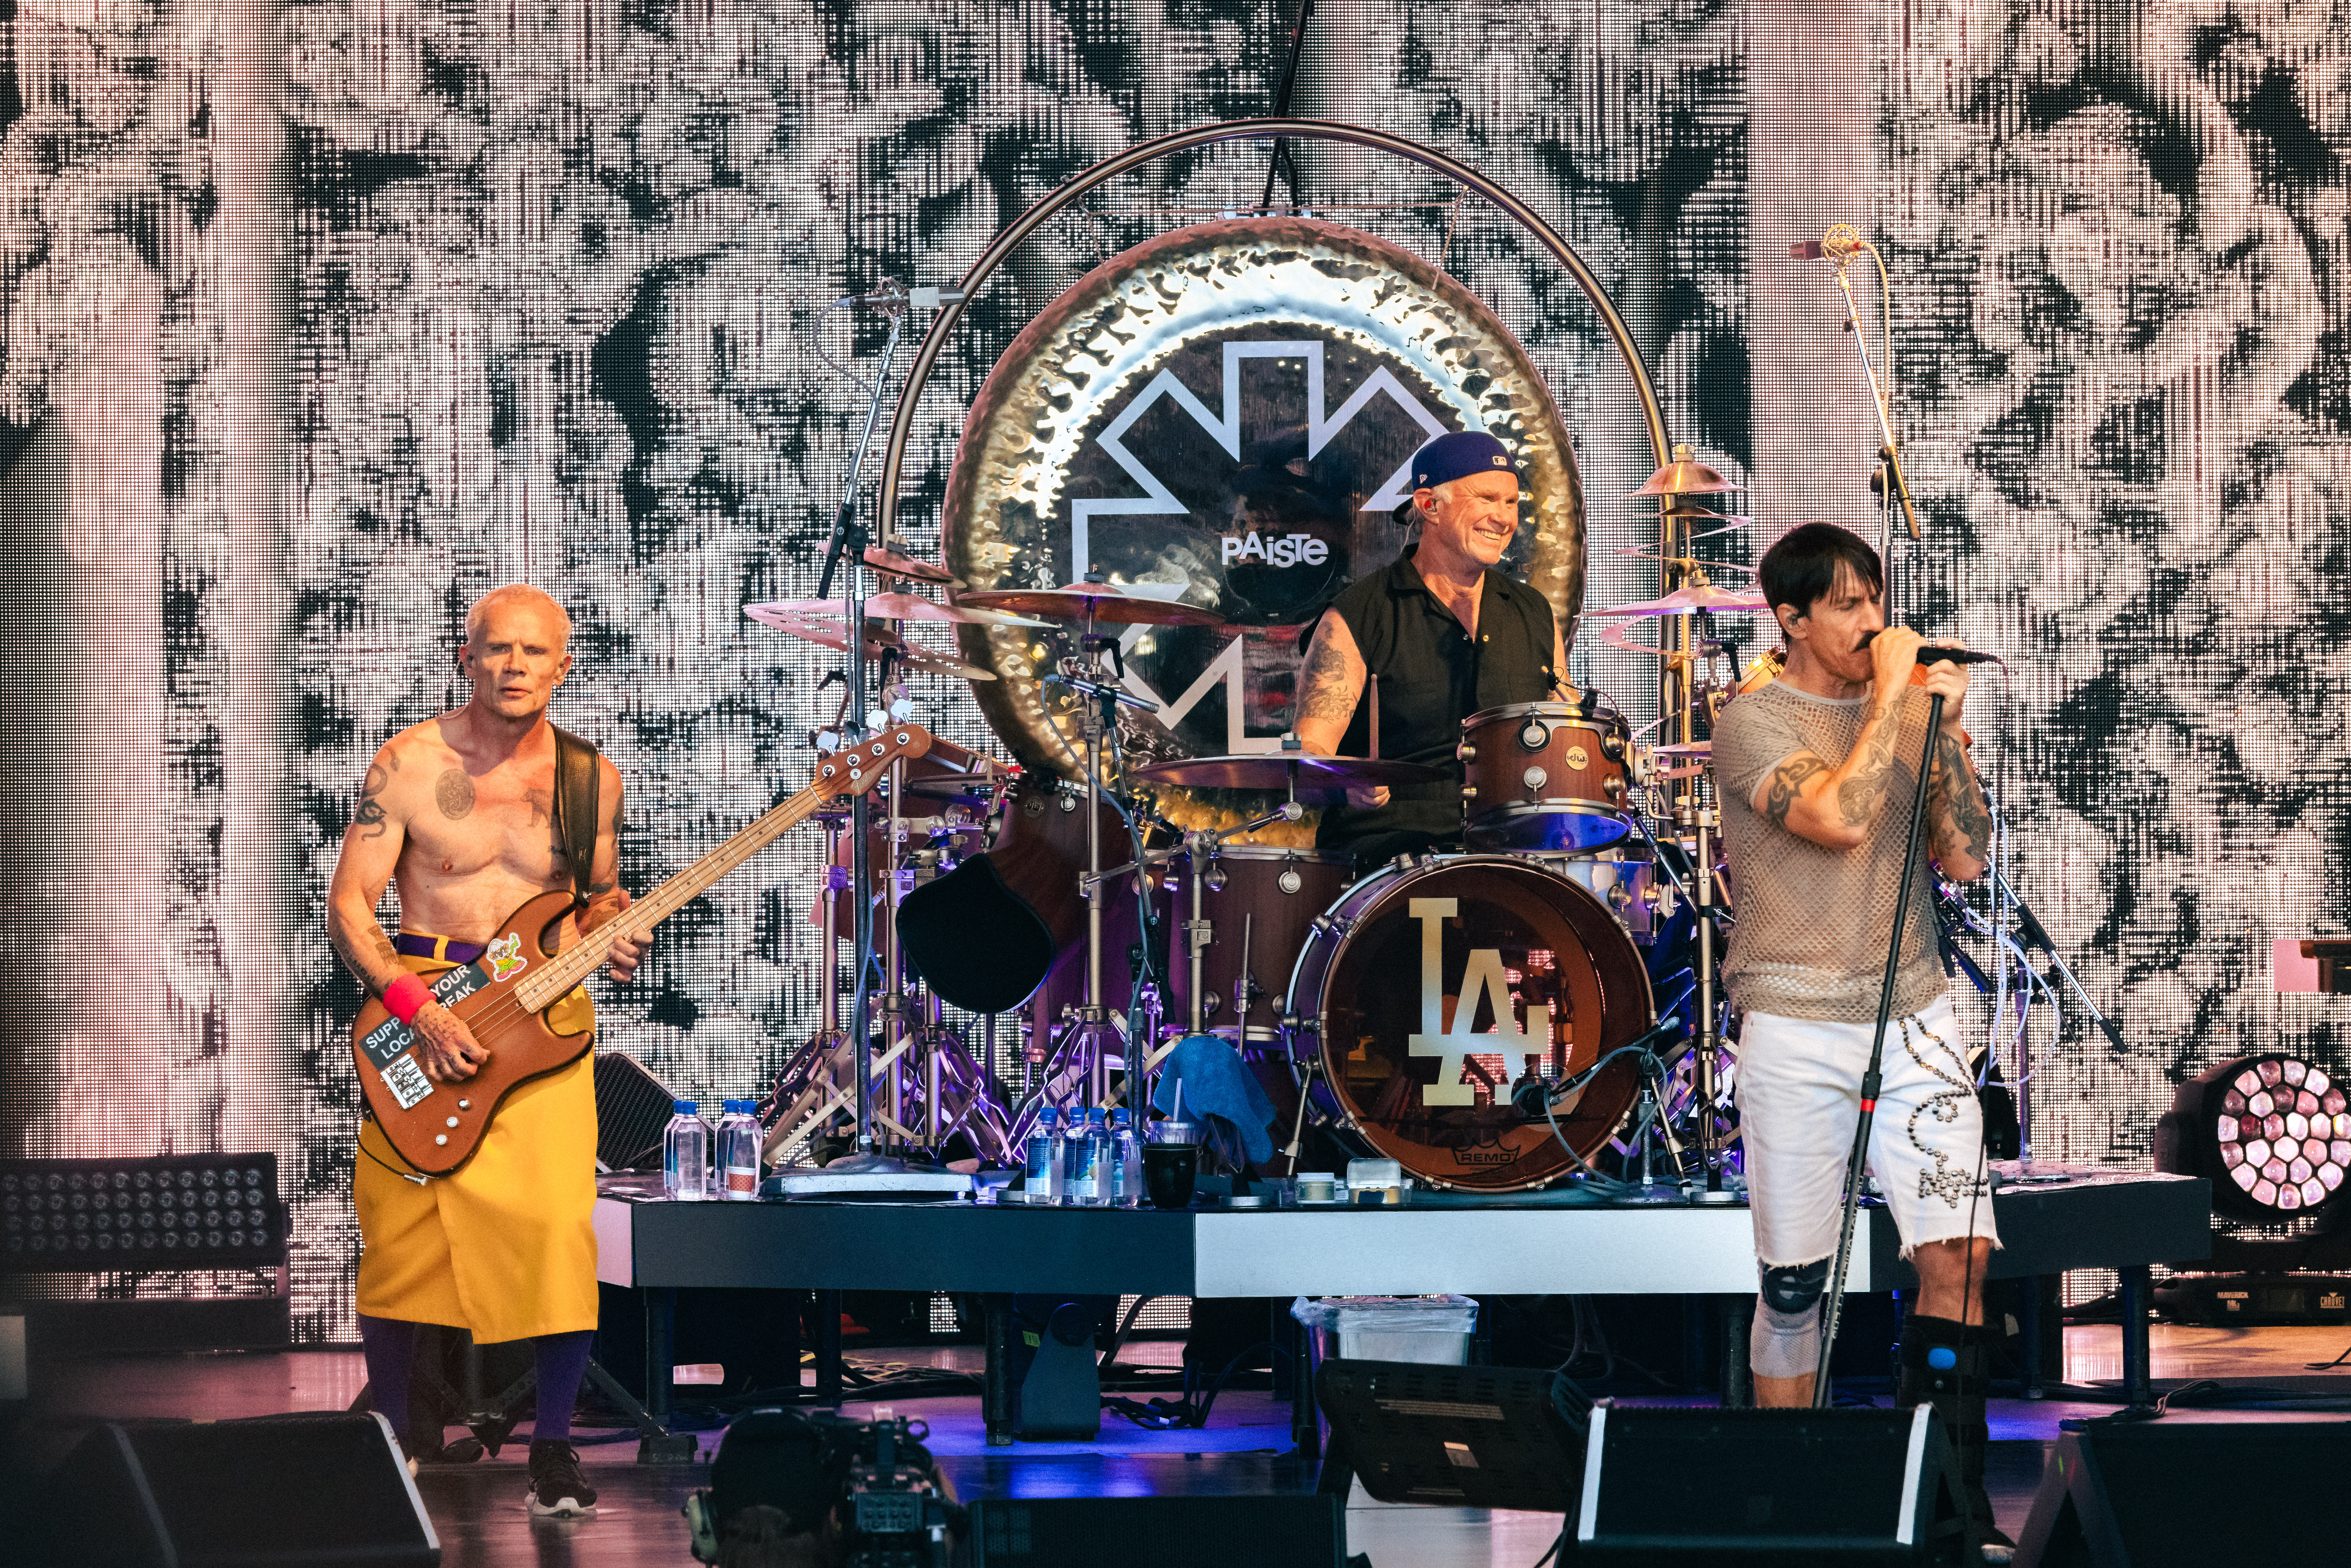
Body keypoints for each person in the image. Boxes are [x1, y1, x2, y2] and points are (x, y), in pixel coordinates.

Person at [326, 582, 652, 1519]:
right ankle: (394, 1445)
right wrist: (417, 1009)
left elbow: (595, 897)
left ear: (565, 662)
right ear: (464, 657)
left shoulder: (591, 778)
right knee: (399, 1244)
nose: (513, 667)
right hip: (424, 1017)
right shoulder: (409, 765)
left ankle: (552, 1450)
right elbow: (351, 907)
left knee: (557, 1232)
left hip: (541, 1031)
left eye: (533, 652)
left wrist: (613, 927)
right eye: (495, 650)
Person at [1713, 522, 2005, 1559]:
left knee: (1960, 1254)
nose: (1870, 620)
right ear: (1789, 618)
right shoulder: (1749, 722)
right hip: (1794, 1021)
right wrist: (1893, 701)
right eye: (1843, 603)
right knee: (1795, 1285)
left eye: (1873, 598)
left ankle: (1947, 1507)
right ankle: (1787, 1504)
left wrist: (1944, 736)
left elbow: (1962, 859)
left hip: (1914, 1009)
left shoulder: (1903, 713)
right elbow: (1836, 817)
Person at [1294, 430, 1571, 865]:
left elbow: (1565, 728)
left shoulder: (1532, 611)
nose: (1503, 518)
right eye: (1486, 499)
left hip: (1512, 854)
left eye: (1511, 502)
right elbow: (1308, 756)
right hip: (1386, 859)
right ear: (1429, 505)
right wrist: (1347, 783)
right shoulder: (1357, 614)